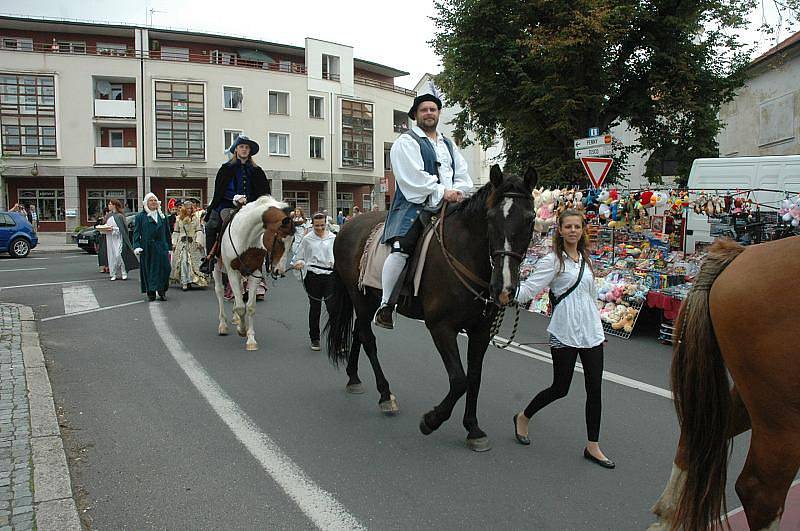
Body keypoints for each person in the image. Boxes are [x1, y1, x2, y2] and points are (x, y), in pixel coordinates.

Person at [512, 209, 614, 469]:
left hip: (590, 331)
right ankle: (524, 416)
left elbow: (590, 297)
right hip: (565, 330)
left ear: (582, 230)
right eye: (567, 226)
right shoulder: (552, 261)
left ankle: (593, 446)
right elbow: (528, 291)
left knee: (595, 389)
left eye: (576, 226)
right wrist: (506, 290)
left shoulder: (585, 261)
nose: (572, 231)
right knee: (561, 387)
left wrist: (598, 330)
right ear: (560, 230)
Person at [373, 92, 473, 329]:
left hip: (450, 207)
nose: (429, 113)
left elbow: (463, 175)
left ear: (438, 114)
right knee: (402, 248)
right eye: (424, 110)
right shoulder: (406, 142)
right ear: (415, 115)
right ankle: (386, 305)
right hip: (416, 206)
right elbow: (412, 178)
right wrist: (442, 191)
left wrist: (458, 191)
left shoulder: (448, 144)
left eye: (433, 109)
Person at [200, 134, 270, 274]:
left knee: (268, 226)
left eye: (246, 147)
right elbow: (220, 190)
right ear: (236, 149)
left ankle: (269, 258)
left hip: (251, 206)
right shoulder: (226, 168)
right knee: (212, 224)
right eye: (241, 147)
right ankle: (210, 258)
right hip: (228, 204)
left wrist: (253, 202)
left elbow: (263, 192)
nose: (244, 149)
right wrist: (234, 197)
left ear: (250, 151)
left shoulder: (257, 171)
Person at [293, 212, 336, 351]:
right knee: (315, 307)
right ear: (312, 225)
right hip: (313, 276)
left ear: (326, 224)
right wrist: (299, 262)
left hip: (330, 275)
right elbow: (298, 257)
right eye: (317, 226)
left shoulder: (333, 238)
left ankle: (336, 339)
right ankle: (315, 338)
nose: (319, 228)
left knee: (332, 308)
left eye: (322, 225)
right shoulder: (307, 239)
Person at [133, 193, 172, 301]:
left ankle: (162, 290)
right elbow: (136, 233)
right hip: (147, 248)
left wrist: (169, 248)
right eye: (151, 200)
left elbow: (167, 232)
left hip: (161, 247)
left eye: (155, 200)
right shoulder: (140, 217)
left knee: (165, 269)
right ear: (146, 203)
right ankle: (151, 291)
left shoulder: (162, 216)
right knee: (149, 270)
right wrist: (136, 246)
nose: (153, 202)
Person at [170, 201, 207, 291]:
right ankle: (184, 282)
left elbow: (198, 230)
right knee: (183, 262)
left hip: (192, 243)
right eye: (187, 208)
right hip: (182, 243)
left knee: (192, 263)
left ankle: (190, 281)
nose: (189, 210)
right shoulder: (178, 219)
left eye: (190, 208)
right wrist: (174, 243)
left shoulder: (195, 219)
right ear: (184, 209)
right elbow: (176, 232)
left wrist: (199, 241)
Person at [98, 199, 138, 281]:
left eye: (110, 204)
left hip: (119, 239)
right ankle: (113, 273)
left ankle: (124, 272)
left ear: (114, 205)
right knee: (111, 256)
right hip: (110, 239)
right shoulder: (108, 216)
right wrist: (104, 229)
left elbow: (123, 229)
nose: (109, 206)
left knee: (119, 255)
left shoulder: (120, 216)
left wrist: (114, 229)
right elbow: (105, 225)